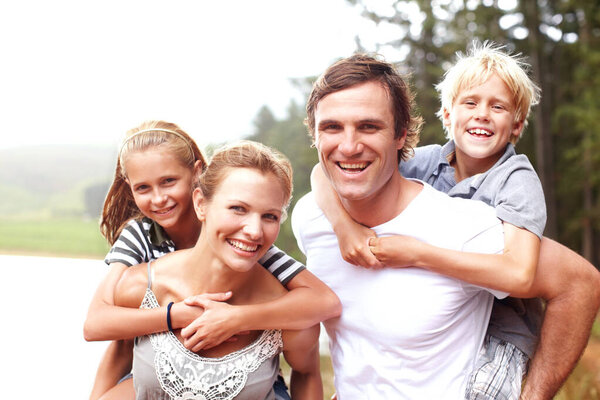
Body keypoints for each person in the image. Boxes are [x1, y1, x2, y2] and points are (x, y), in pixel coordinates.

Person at [309, 49, 600, 399]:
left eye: (498, 107)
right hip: (439, 328)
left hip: (502, 327)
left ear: (518, 124)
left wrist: (418, 254)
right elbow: (323, 172)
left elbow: (520, 273)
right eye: (470, 103)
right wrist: (345, 227)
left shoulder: (516, 182)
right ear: (447, 114)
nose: (482, 115)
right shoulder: (427, 161)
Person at [292, 53, 512, 398]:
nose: (349, 146)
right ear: (315, 136)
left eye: (369, 126)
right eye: (332, 127)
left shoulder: (468, 226)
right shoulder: (310, 217)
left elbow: (577, 283)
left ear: (400, 135)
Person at [84, 121, 341, 399]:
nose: (159, 199)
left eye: (270, 216)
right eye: (237, 209)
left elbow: (324, 301)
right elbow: (103, 328)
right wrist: (180, 314)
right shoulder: (141, 243)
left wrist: (237, 318)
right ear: (202, 203)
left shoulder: (254, 247)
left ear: (195, 175)